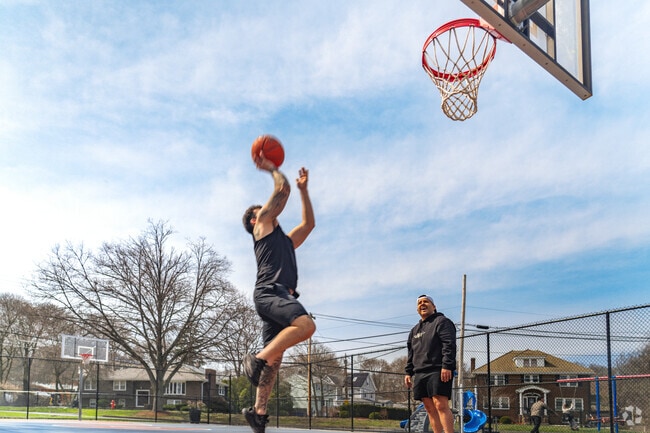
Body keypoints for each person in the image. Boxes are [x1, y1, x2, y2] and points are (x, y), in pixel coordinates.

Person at [240, 151, 316, 433]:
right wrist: (272, 168)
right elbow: (281, 189)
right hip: (271, 292)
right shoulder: (262, 227)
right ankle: (255, 359)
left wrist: (304, 191)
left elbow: (308, 225)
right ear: (253, 220)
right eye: (262, 208)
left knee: (275, 359)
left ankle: (258, 413)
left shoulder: (283, 240)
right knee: (306, 325)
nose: (268, 208)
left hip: (279, 296)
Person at [405, 295, 457, 433]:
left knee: (440, 405)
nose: (422, 304)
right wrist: (408, 372)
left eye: (426, 302)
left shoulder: (442, 322)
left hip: (438, 370)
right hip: (420, 372)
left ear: (433, 306)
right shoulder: (414, 330)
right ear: (417, 309)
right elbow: (411, 353)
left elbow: (449, 345)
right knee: (429, 407)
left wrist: (447, 365)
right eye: (419, 303)